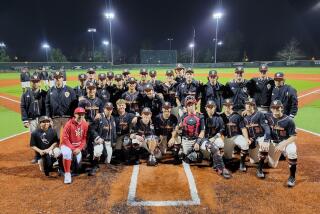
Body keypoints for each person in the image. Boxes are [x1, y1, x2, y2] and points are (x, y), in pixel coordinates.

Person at [266, 100, 298, 187]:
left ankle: (292, 177)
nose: (275, 109)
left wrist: (283, 144)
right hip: (274, 143)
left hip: (286, 142)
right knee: (272, 165)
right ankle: (277, 155)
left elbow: (294, 136)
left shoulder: (289, 120)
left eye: (277, 107)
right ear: (271, 109)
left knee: (292, 152)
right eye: (273, 107)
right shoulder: (267, 117)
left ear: (281, 108)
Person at [168, 95, 205, 164]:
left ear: (195, 105)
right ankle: (183, 150)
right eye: (188, 105)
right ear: (186, 107)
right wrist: (172, 137)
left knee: (198, 157)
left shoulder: (200, 116)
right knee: (180, 156)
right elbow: (177, 127)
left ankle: (196, 152)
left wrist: (197, 142)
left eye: (192, 104)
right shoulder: (183, 116)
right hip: (186, 140)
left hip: (196, 140)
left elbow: (202, 131)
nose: (190, 107)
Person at [21, 73, 47, 163]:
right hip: (32, 119)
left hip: (42, 119)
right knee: (35, 137)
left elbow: (47, 106)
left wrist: (48, 119)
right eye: (33, 81)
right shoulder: (26, 94)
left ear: (40, 82)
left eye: (37, 81)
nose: (35, 83)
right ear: (31, 82)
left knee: (44, 137)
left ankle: (46, 155)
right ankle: (37, 155)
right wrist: (25, 120)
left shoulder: (44, 93)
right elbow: (23, 107)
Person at [243, 98, 271, 178]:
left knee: (264, 147)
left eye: (251, 104)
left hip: (261, 137)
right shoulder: (243, 117)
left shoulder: (259, 114)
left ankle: (260, 169)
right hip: (253, 139)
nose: (249, 106)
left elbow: (266, 128)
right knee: (253, 161)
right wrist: (248, 139)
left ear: (254, 106)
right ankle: (262, 155)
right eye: (247, 104)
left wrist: (266, 140)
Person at [220, 99, 250, 172]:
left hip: (237, 136)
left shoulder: (237, 116)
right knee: (227, 157)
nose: (227, 107)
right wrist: (222, 140)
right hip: (227, 138)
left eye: (229, 105)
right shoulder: (221, 116)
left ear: (232, 106)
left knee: (245, 144)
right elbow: (220, 130)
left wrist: (246, 138)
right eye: (226, 105)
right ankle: (224, 157)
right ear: (223, 106)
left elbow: (243, 128)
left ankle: (242, 163)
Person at [45, 70, 77, 138]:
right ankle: (57, 148)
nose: (58, 79)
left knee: (69, 136)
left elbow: (74, 104)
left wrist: (73, 116)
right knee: (56, 137)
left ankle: (68, 148)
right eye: (56, 78)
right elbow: (47, 105)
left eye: (59, 77)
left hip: (68, 118)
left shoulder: (70, 90)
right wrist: (48, 117)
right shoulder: (50, 91)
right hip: (55, 118)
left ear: (62, 78)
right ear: (53, 79)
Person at [61, 107, 89, 184]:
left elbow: (84, 139)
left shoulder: (85, 124)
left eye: (82, 114)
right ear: (74, 115)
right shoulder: (68, 124)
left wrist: (79, 148)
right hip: (67, 145)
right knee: (67, 153)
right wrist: (73, 149)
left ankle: (70, 166)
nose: (81, 116)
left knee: (77, 168)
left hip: (78, 147)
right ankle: (67, 173)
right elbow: (65, 139)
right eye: (79, 114)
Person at [88, 102, 117, 175]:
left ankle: (103, 165)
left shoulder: (112, 118)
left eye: (110, 109)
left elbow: (113, 131)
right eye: (107, 109)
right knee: (97, 152)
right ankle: (94, 166)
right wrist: (97, 137)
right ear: (104, 109)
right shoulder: (99, 117)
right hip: (100, 141)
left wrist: (114, 141)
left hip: (109, 142)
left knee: (107, 160)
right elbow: (91, 129)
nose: (109, 110)